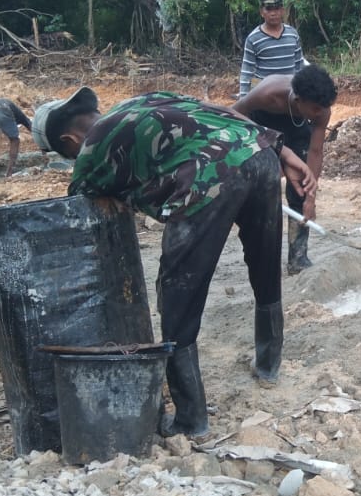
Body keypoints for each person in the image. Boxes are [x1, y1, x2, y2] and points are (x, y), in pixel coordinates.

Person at [31, 88, 317, 438]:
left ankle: (190, 420)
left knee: (177, 294)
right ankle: (269, 367)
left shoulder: (90, 153)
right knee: (265, 263)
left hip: (209, 177)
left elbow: (82, 222)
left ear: (69, 140)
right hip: (259, 154)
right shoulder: (144, 100)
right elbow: (216, 107)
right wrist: (282, 149)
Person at [233, 65, 338, 274]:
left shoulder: (321, 109)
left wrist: (311, 197)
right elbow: (233, 114)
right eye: (315, 109)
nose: (320, 114)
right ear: (298, 100)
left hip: (297, 128)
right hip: (260, 128)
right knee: (263, 192)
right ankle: (262, 261)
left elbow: (315, 151)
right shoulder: (267, 94)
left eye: (322, 109)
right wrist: (277, 147)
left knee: (300, 190)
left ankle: (297, 259)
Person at [238, 0, 307, 98]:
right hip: (264, 95)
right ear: (262, 12)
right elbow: (247, 72)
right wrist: (243, 99)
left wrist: (302, 92)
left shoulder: (292, 34)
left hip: (288, 93)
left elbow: (299, 66)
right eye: (269, 9)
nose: (273, 13)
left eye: (277, 9)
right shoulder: (253, 38)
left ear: (282, 11)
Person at [0, 99, 32, 177]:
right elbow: (30, 126)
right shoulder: (20, 115)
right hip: (1, 110)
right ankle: (9, 173)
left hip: (1, 109)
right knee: (15, 140)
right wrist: (44, 149)